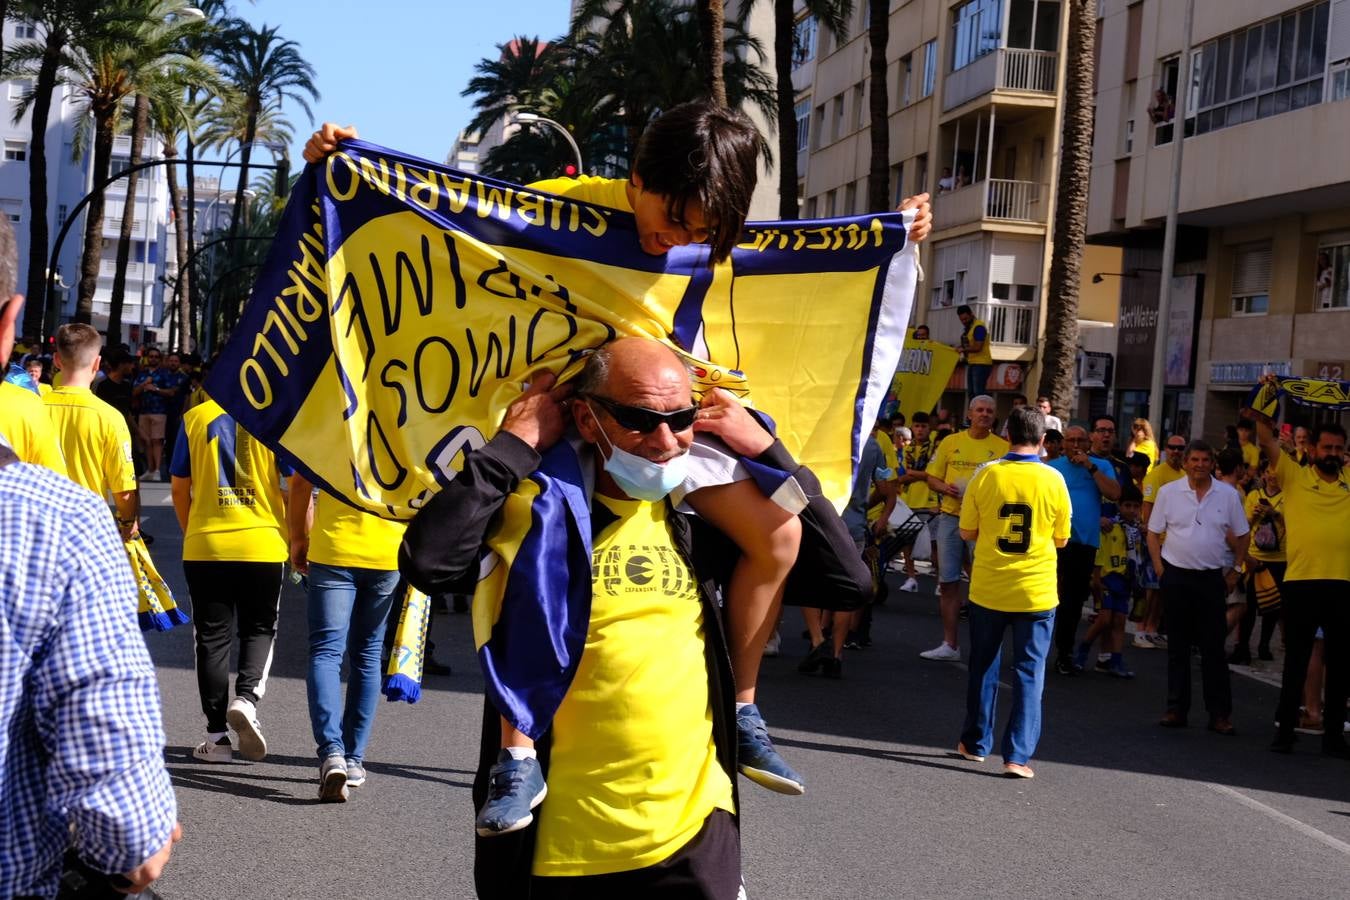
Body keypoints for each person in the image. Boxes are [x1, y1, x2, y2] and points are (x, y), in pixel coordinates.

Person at [307, 105, 933, 806]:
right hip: (561, 422)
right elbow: (448, 223)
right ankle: (517, 753)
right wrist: (347, 168)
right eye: (674, 219)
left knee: (781, 531)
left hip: (660, 424)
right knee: (531, 537)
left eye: (699, 233)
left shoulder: (713, 237)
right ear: (635, 179)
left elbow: (797, 260)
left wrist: (888, 234)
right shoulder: (559, 207)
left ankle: (745, 710)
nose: (678, 241)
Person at [399, 338, 860, 898]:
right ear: (586, 419)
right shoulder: (541, 511)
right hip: (561, 844)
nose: (665, 442)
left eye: (681, 417)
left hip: (694, 831)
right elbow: (431, 562)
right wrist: (512, 447)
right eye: (640, 421)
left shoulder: (703, 522)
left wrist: (769, 450)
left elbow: (848, 580)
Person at [0, 215, 182, 899]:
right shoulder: (97, 431)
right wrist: (127, 532)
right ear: (10, 322)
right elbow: (132, 843)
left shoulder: (32, 398)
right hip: (65, 546)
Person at [171, 394, 290, 764]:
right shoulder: (275, 414)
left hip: (206, 543)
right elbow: (292, 485)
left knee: (210, 639)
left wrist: (194, 530)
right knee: (259, 628)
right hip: (263, 541)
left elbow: (178, 486)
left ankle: (216, 737)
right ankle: (247, 699)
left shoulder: (194, 417)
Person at [953, 406, 1071, 779]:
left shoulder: (985, 475)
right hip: (1036, 591)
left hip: (989, 586)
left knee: (983, 665)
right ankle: (1017, 756)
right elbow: (1062, 538)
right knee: (1029, 672)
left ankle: (975, 743)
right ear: (1042, 441)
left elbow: (966, 532)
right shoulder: (1054, 480)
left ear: (1006, 434)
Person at [288, 473, 407, 801]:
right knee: (368, 654)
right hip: (388, 550)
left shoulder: (327, 421)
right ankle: (353, 759)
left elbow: (300, 483)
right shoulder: (404, 423)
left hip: (334, 547)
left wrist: (297, 538)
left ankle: (332, 753)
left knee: (326, 652)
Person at [1249, 407, 1350, 758]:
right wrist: (1267, 395)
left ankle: (1334, 738)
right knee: (1296, 662)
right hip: (1301, 583)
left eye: (1339, 449)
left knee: (1340, 667)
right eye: (1327, 448)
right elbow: (1265, 437)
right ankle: (1285, 731)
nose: (1333, 455)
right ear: (1313, 450)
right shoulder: (1293, 474)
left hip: (1343, 585)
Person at [1146, 440, 1249, 735]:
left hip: (1211, 579)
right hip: (1176, 576)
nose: (1199, 465)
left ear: (1212, 463)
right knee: (1177, 647)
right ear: (1186, 462)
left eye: (1205, 459)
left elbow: (1243, 535)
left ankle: (1219, 714)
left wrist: (1237, 570)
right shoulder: (1168, 493)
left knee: (1213, 648)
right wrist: (1159, 567)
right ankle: (1176, 709)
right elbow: (1153, 533)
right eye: (1194, 459)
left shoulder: (1227, 495)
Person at [919, 394, 1009, 661]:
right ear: (969, 414)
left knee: (984, 584)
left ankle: (985, 647)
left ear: (994, 416)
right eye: (979, 410)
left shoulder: (1003, 448)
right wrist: (944, 487)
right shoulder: (950, 442)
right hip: (951, 518)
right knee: (948, 582)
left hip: (984, 523)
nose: (984, 414)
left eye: (989, 411)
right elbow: (931, 477)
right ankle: (950, 644)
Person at [42, 324, 140, 539]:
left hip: (37, 529)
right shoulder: (110, 417)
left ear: (57, 360)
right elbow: (124, 491)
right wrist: (128, 522)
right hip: (87, 531)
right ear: (97, 363)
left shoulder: (32, 407)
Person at [1046, 425, 1122, 675]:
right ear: (1062, 443)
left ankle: (1064, 653)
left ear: (1088, 443)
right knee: (1047, 597)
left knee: (1073, 601)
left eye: (1081, 440)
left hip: (1084, 543)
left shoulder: (1100, 466)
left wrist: (1090, 466)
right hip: (1053, 540)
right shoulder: (1053, 467)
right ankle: (1037, 650)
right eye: (1071, 440)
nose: (1076, 445)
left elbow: (1114, 494)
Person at [1075, 485, 1144, 678]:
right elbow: (1100, 552)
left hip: (1124, 580)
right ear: (1119, 506)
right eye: (1127, 506)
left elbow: (1136, 557)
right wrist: (1096, 578)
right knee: (1104, 619)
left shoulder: (1136, 531)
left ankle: (1114, 660)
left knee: (1119, 621)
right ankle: (1082, 652)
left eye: (1135, 506)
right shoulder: (1109, 527)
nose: (1131, 510)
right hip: (1106, 578)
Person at [1229, 457, 1285, 665]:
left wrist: (1275, 514)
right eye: (1269, 471)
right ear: (1263, 474)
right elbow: (1242, 527)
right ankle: (1243, 646)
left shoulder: (1289, 497)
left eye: (1276, 472)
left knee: (1272, 606)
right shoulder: (1253, 495)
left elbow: (1294, 526)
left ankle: (1264, 645)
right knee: (1248, 605)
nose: (1272, 476)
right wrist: (1254, 516)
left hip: (1278, 559)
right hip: (1253, 558)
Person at [897, 413, 938, 593]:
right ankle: (911, 577)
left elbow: (932, 474)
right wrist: (918, 474)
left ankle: (940, 582)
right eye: (917, 426)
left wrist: (915, 474)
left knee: (936, 545)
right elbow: (903, 474)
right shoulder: (907, 449)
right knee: (907, 542)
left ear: (929, 428)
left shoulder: (935, 449)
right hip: (909, 500)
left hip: (930, 501)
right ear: (912, 428)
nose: (920, 430)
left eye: (923, 426)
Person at [133, 348, 184, 481]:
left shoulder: (164, 374)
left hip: (159, 411)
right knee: (146, 441)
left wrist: (155, 389)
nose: (153, 359)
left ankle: (157, 470)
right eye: (151, 356)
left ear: (160, 359)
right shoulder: (142, 374)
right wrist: (145, 384)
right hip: (144, 411)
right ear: (147, 358)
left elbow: (171, 392)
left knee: (157, 441)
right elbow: (134, 392)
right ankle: (149, 469)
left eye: (156, 357)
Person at [955, 305, 991, 402]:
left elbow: (978, 347)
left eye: (966, 319)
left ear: (971, 314)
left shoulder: (979, 327)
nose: (964, 321)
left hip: (981, 364)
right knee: (972, 393)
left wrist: (963, 349)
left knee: (978, 393)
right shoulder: (970, 328)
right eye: (961, 320)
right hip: (973, 363)